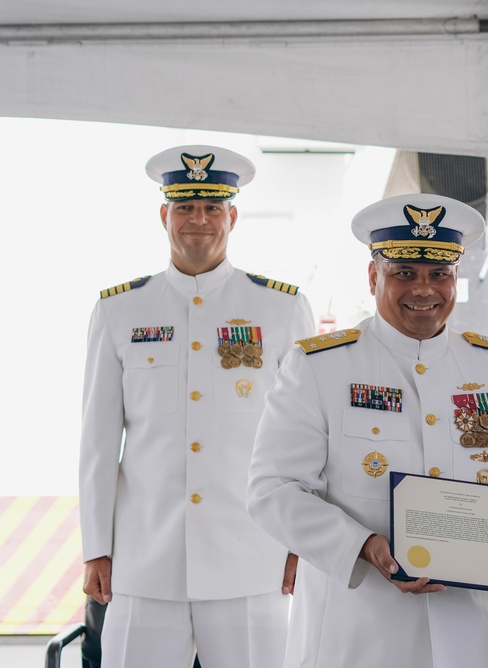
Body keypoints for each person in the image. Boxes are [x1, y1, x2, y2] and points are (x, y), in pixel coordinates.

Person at [246, 193, 488, 668]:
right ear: (374, 275)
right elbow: (272, 489)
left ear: (455, 276)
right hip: (354, 635)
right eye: (404, 273)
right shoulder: (320, 366)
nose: (424, 289)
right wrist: (363, 546)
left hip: (468, 638)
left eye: (439, 273)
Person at [79, 145, 315, 668]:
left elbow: (305, 439)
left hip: (253, 558)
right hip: (144, 559)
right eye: (185, 207)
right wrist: (97, 546)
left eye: (212, 207)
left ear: (232, 215)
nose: (199, 220)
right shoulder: (120, 309)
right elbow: (97, 441)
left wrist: (304, 540)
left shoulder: (280, 306)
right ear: (164, 215)